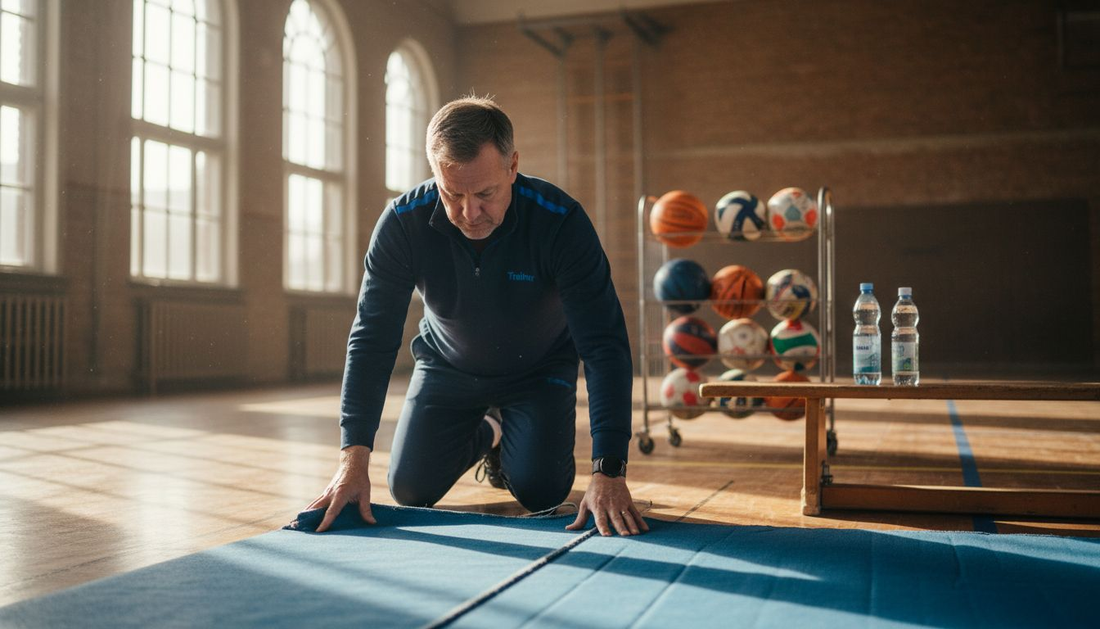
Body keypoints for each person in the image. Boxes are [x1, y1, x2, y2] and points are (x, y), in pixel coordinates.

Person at [306, 96, 647, 537]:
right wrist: (352, 459)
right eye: (452, 194)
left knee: (542, 490)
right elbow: (371, 338)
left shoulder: (561, 222)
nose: (469, 214)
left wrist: (610, 470)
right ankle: (491, 429)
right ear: (434, 174)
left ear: (513, 167)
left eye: (486, 194)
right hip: (449, 365)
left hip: (540, 369)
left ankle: (509, 426)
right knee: (409, 488)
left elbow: (604, 345)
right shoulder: (402, 224)